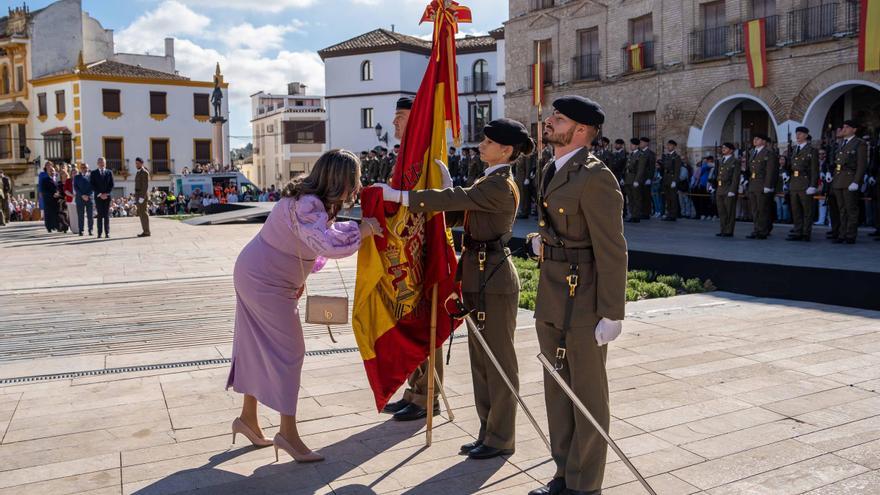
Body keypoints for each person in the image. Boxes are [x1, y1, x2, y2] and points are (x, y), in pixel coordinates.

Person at [378, 118, 531, 460]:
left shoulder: (498, 185)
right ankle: (487, 431)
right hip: (478, 275)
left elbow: (458, 199)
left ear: (505, 150)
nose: (481, 146)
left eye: (488, 142)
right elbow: (459, 212)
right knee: (480, 361)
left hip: (494, 279)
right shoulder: (487, 180)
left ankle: (501, 436)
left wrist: (405, 197)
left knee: (498, 363)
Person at [226, 149, 381, 462]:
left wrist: (355, 229)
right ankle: (288, 434)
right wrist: (362, 230)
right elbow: (326, 243)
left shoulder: (308, 201)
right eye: (354, 180)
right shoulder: (309, 205)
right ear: (340, 179)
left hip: (259, 275)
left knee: (254, 346)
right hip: (265, 282)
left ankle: (248, 419)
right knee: (289, 352)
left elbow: (320, 237)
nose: (357, 186)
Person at [527, 96, 627, 495]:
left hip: (582, 298)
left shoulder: (595, 176)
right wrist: (541, 243)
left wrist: (612, 312)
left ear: (582, 131)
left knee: (586, 393)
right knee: (557, 389)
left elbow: (612, 247)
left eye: (559, 118)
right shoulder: (553, 167)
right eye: (553, 115)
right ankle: (563, 475)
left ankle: (586, 485)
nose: (549, 121)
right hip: (552, 294)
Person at [381, 96, 446, 422]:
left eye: (400, 117)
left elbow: (431, 205)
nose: (394, 123)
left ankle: (427, 398)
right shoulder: (403, 158)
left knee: (425, 328)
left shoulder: (426, 159)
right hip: (402, 254)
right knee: (410, 326)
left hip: (420, 254)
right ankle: (413, 392)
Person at [830, 120, 867, 244]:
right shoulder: (842, 143)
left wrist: (856, 181)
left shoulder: (859, 143)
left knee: (851, 209)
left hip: (850, 179)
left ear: (854, 129)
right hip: (839, 179)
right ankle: (842, 233)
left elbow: (861, 165)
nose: (843, 129)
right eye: (843, 127)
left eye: (847, 127)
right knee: (841, 209)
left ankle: (850, 235)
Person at [787, 127, 820, 241]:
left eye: (800, 134)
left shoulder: (811, 150)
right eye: (797, 134)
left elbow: (814, 169)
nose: (798, 136)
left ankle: (806, 232)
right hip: (794, 182)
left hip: (805, 181)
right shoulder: (794, 149)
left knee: (807, 210)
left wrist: (813, 185)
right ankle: (797, 231)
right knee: (796, 210)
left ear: (806, 135)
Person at [746, 134, 778, 239]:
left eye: (758, 139)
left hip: (762, 183)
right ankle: (756, 229)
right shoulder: (752, 152)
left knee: (762, 209)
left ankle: (763, 231)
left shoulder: (768, 153)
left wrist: (768, 185)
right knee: (754, 209)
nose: (755, 140)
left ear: (764, 142)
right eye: (754, 138)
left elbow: (770, 170)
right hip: (753, 183)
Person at [715, 143, 741, 237]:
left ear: (731, 150)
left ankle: (729, 231)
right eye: (723, 147)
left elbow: (735, 177)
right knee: (721, 211)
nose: (723, 149)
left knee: (729, 211)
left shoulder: (735, 161)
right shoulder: (721, 160)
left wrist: (732, 190)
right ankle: (723, 229)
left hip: (728, 188)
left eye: (725, 148)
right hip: (720, 188)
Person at [90, 157, 114, 238]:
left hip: (107, 197)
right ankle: (99, 233)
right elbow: (92, 185)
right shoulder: (93, 173)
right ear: (97, 163)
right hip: (98, 196)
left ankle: (107, 233)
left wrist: (106, 194)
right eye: (100, 162)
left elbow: (111, 185)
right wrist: (100, 194)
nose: (101, 163)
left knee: (106, 215)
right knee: (99, 215)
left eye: (103, 162)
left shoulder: (109, 172)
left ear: (105, 163)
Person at [623, 138, 644, 222]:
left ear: (637, 146)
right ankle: (632, 214)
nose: (630, 146)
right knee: (630, 198)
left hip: (634, 178)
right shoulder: (630, 155)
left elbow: (640, 169)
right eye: (631, 144)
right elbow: (626, 167)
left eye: (632, 144)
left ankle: (636, 216)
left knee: (636, 198)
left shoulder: (640, 155)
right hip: (628, 178)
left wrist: (637, 180)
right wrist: (623, 178)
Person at [660, 140, 681, 221]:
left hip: (672, 178)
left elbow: (677, 170)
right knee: (667, 198)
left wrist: (675, 181)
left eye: (670, 145)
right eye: (668, 145)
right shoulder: (666, 156)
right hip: (666, 179)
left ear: (674, 146)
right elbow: (664, 168)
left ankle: (673, 214)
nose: (668, 147)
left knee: (673, 198)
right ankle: (669, 213)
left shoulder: (676, 157)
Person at [73, 163, 94, 236]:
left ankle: (90, 230)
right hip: (79, 198)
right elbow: (76, 187)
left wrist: (87, 195)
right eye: (82, 167)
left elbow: (93, 187)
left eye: (85, 167)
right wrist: (82, 195)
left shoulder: (91, 177)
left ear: (88, 168)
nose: (84, 169)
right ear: (80, 168)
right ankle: (81, 230)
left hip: (89, 198)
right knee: (80, 215)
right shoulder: (76, 177)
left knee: (90, 216)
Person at [39, 162, 60, 233]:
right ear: (47, 171)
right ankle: (49, 227)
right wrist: (52, 195)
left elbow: (60, 188)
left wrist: (58, 193)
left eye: (53, 170)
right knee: (48, 213)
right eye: (50, 171)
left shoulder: (57, 179)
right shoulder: (45, 180)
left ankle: (56, 226)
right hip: (48, 199)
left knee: (56, 213)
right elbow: (44, 190)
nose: (52, 172)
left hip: (56, 199)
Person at [134, 158, 151, 237]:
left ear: (142, 163)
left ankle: (147, 231)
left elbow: (145, 186)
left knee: (144, 213)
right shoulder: (139, 172)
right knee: (141, 213)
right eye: (136, 163)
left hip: (142, 196)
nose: (136, 165)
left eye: (138, 163)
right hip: (138, 195)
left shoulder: (144, 172)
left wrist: (142, 197)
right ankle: (145, 230)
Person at [63, 165, 80, 235]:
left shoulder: (80, 180)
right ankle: (74, 230)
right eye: (73, 173)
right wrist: (72, 195)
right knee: (72, 216)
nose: (75, 174)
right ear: (71, 174)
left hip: (79, 200)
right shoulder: (68, 180)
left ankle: (80, 228)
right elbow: (65, 190)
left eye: (76, 172)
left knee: (79, 215)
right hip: (70, 200)